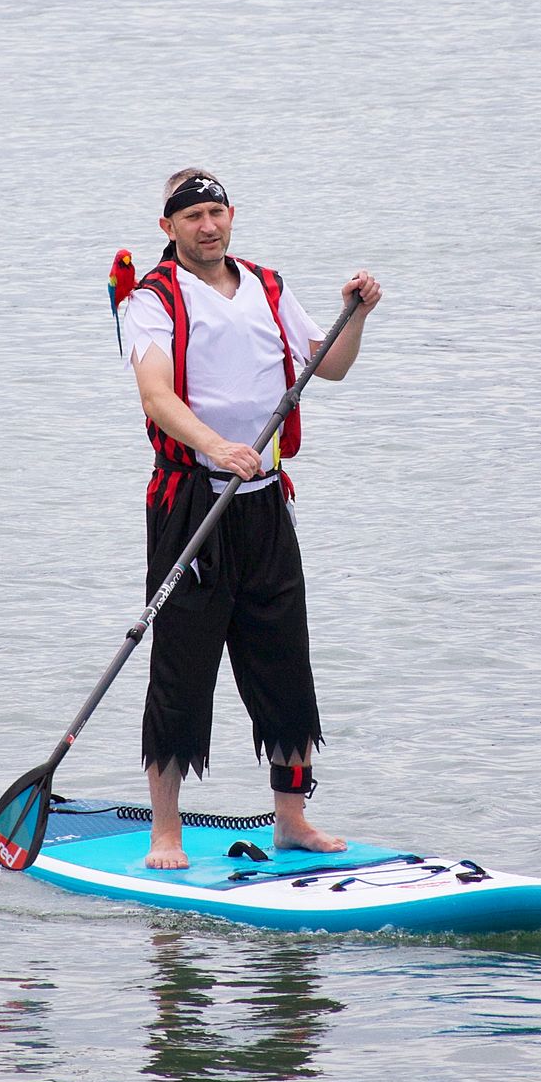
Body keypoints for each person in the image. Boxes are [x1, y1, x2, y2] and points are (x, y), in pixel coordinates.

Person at [123, 167, 380, 868]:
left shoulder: (268, 287)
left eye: (216, 212)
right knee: (182, 663)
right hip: (192, 503)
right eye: (192, 215)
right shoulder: (152, 300)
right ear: (168, 227)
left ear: (231, 216)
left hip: (264, 502)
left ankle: (291, 817)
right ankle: (165, 832)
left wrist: (355, 314)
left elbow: (331, 369)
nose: (207, 225)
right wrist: (216, 447)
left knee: (283, 655)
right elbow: (155, 396)